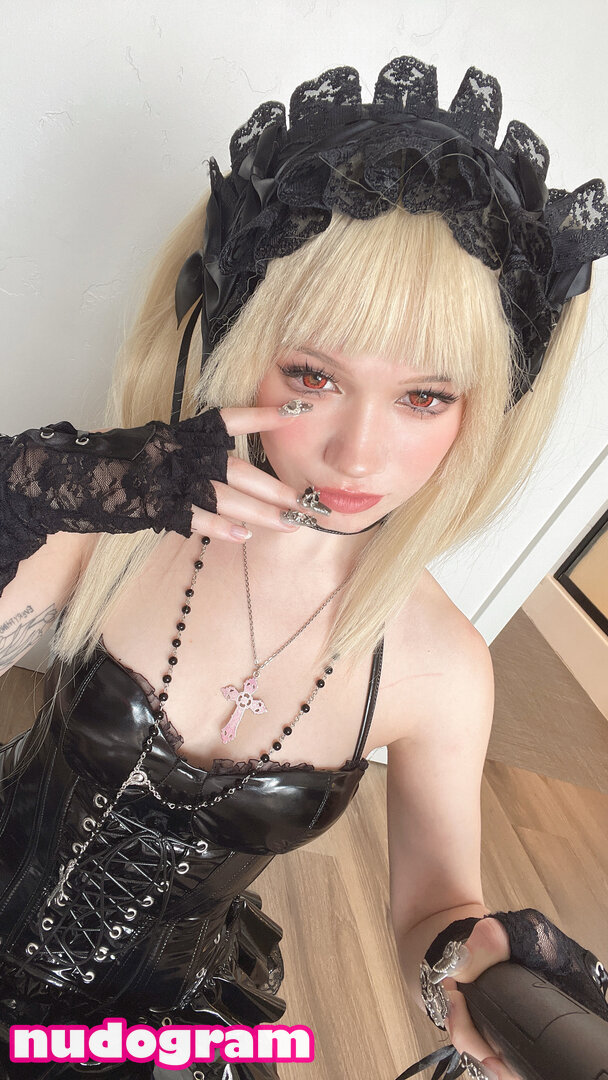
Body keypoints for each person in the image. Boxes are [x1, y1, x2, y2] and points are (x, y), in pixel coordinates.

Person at [0, 56, 607, 1080]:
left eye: (424, 396)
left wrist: (469, 958)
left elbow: (429, 907)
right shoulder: (116, 521)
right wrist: (30, 491)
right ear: (243, 342)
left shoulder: (440, 668)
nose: (358, 454)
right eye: (313, 376)